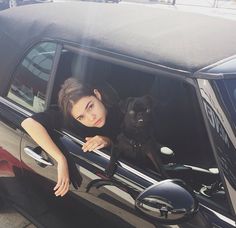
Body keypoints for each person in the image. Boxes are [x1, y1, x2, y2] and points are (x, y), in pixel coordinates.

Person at [21, 78, 122, 197]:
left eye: (90, 106)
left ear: (97, 95)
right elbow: (28, 123)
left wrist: (107, 141)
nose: (91, 118)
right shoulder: (71, 122)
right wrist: (60, 159)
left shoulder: (123, 112)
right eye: (81, 117)